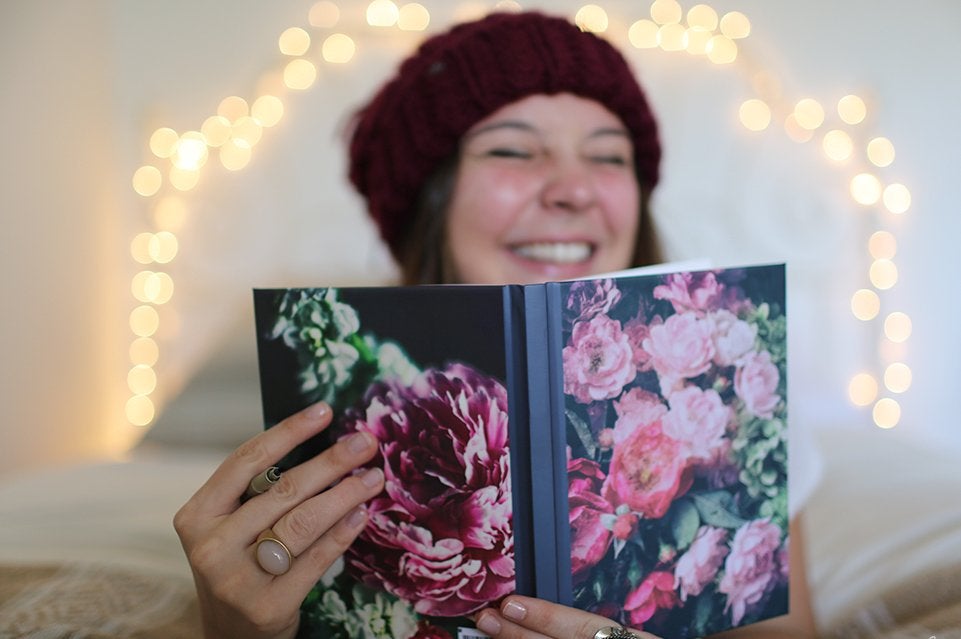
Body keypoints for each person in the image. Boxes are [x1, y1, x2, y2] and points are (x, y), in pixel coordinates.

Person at [174, 10, 818, 639]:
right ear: (431, 197)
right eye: (513, 150)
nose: (574, 189)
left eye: (609, 158)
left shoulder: (736, 412)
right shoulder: (306, 425)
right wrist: (234, 629)